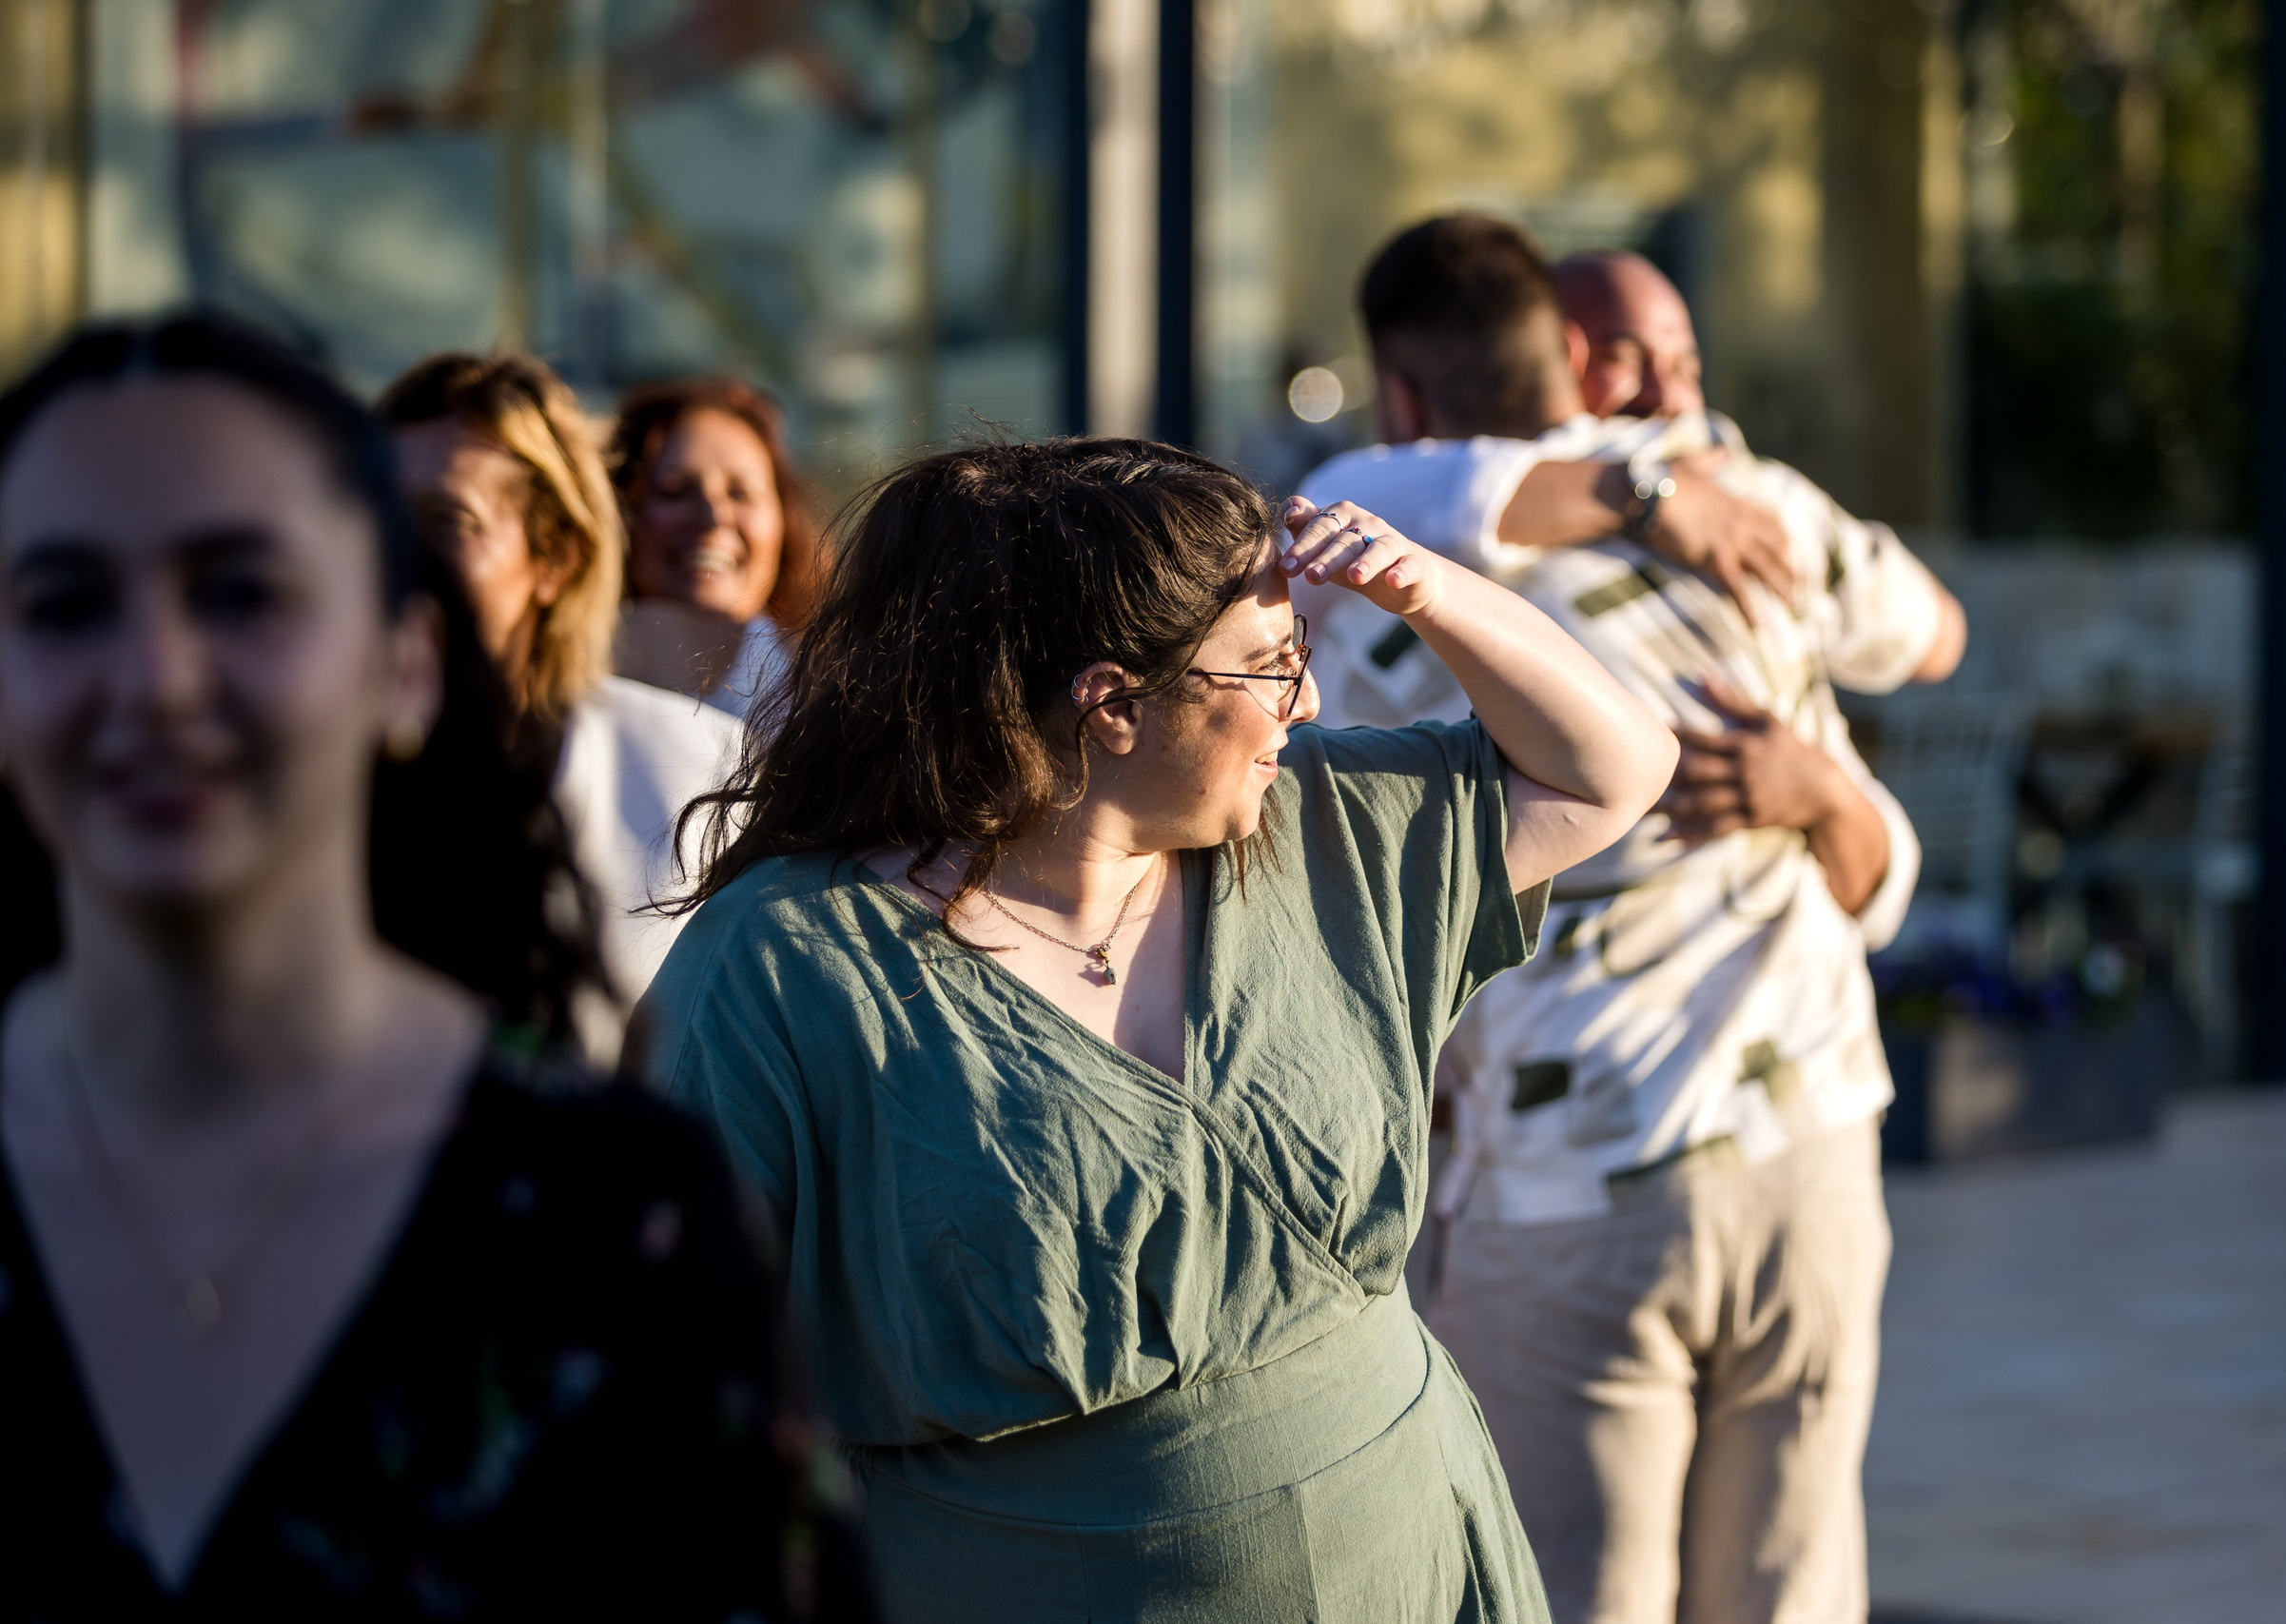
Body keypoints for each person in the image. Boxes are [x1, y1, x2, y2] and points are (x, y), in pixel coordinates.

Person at [632, 436, 1679, 1622]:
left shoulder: (1320, 826)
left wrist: (1428, 590)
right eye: (1272, 665)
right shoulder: (786, 963)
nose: (1308, 702)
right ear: (1115, 705)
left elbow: (1613, 770)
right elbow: (665, 1365)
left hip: (1419, 1563)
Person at [0, 313, 784, 1616]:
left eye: (242, 592)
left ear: (403, 661)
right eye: (64, 600)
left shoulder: (616, 1209)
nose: (155, 679)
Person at [1298, 216, 1964, 1624]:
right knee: (1793, 1590)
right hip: (1810, 1148)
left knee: (1568, 1591)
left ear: (1400, 393)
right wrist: (1689, 481)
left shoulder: (1374, 572)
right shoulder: (1754, 505)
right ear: (1572, 353)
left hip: (1573, 1179)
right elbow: (1930, 634)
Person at [377, 354, 744, 1060]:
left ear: (555, 559)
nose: (395, 555)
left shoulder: (705, 779)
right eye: (375, 516)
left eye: (445, 521)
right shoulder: (284, 769)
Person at [609, 377, 824, 720]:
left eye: (741, 493)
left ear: (785, 522)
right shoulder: (550, 693)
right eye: (675, 491)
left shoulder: (840, 698)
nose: (713, 518)